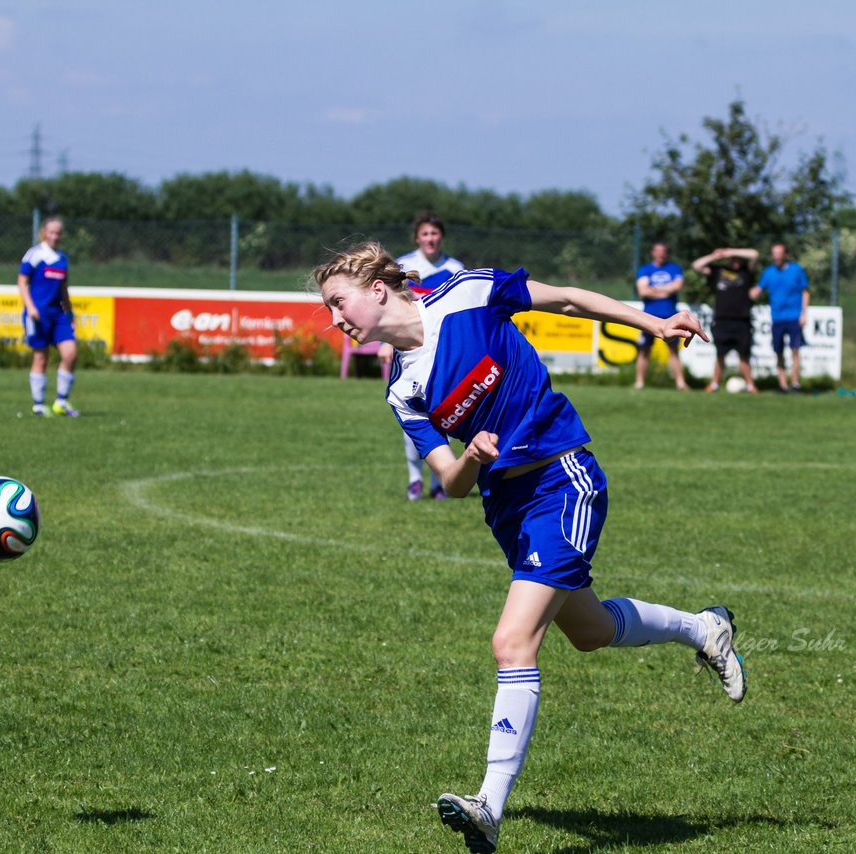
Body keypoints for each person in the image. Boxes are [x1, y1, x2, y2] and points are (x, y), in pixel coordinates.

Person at [313, 243, 745, 854]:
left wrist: (653, 322)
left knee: (512, 640)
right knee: (591, 630)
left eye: (339, 302)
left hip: (561, 477)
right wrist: (470, 455)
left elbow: (568, 298)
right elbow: (452, 483)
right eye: (328, 309)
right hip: (507, 508)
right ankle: (704, 629)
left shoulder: (467, 294)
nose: (335, 319)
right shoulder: (402, 388)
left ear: (376, 291)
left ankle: (489, 805)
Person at [383, 212, 466, 501]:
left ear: (441, 236)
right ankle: (415, 480)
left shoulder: (455, 268)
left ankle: (438, 481)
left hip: (443, 353)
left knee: (441, 414)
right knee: (414, 412)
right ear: (417, 237)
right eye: (424, 234)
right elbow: (390, 308)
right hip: (410, 353)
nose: (430, 239)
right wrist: (386, 342)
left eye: (434, 233)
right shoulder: (403, 267)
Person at [17, 216, 79, 417]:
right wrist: (31, 307)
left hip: (59, 314)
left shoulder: (62, 258)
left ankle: (61, 402)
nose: (55, 236)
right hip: (38, 314)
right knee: (41, 358)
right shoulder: (34, 254)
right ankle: (38, 405)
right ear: (44, 232)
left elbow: (63, 288)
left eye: (58, 233)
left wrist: (69, 312)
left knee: (70, 353)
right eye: (51, 232)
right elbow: (22, 281)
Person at [692, 247, 761, 393]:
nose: (735, 261)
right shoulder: (719, 270)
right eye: (732, 259)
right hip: (722, 320)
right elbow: (696, 266)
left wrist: (731, 251)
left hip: (742, 321)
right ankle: (714, 384)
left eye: (737, 258)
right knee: (720, 355)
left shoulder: (746, 272)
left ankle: (751, 385)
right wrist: (714, 256)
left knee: (744, 356)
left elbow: (754, 254)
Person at [755, 242, 810, 393]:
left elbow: (805, 292)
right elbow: (758, 290)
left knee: (795, 350)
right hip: (777, 318)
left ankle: (795, 384)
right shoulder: (768, 272)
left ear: (785, 255)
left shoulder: (796, 270)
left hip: (794, 317)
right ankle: (783, 385)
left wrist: (804, 313)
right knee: (778, 351)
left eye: (779, 253)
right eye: (774, 253)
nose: (776, 256)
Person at [633, 241, 688, 391]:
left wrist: (653, 289)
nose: (661, 254)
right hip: (648, 317)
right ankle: (639, 382)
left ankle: (680, 383)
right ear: (653, 252)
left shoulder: (674, 268)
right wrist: (665, 290)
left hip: (670, 316)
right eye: (658, 251)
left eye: (663, 251)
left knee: (674, 351)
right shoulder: (645, 269)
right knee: (644, 350)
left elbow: (676, 287)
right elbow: (643, 291)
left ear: (666, 253)